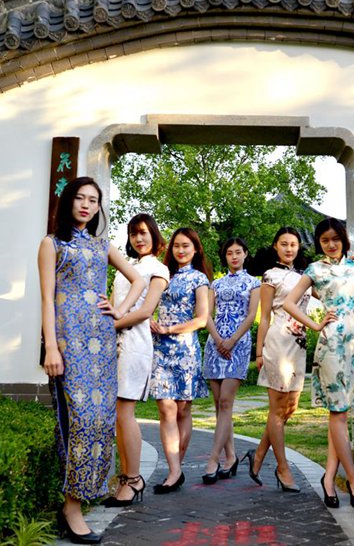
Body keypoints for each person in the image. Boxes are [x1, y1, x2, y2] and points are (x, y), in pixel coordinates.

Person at [39, 176, 145, 544]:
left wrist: (118, 311)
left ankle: (82, 497)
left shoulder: (103, 245)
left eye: (93, 200)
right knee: (79, 421)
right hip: (68, 341)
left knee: (100, 422)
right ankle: (71, 508)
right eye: (80, 198)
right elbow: (46, 299)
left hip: (100, 341)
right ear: (68, 202)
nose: (86, 205)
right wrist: (51, 347)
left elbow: (137, 280)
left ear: (99, 207)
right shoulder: (52, 243)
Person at [283, 218, 354, 510]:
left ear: (343, 239)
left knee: (341, 416)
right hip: (331, 347)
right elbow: (290, 303)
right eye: (324, 240)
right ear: (319, 243)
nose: (331, 244)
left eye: (335, 239)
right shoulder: (315, 270)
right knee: (340, 414)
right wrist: (316, 325)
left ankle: (329, 478)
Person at [99, 214, 169, 507]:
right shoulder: (125, 269)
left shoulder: (159, 268)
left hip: (134, 345)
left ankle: (134, 478)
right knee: (117, 414)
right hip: (112, 345)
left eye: (143, 233)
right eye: (132, 234)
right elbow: (114, 306)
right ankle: (126, 478)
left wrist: (108, 326)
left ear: (153, 235)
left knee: (124, 412)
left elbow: (144, 311)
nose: (138, 239)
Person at [243, 227, 320, 493]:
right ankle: (283, 469)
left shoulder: (305, 276)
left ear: (299, 248)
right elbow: (264, 317)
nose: (289, 249)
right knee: (277, 410)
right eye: (284, 244)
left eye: (294, 244)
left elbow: (328, 292)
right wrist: (259, 352)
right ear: (275, 246)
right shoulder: (270, 275)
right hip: (277, 343)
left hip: (298, 346)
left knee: (290, 409)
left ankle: (259, 457)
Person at [148, 227, 211, 494]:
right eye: (176, 246)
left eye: (186, 246)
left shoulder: (200, 279)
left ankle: (178, 466)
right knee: (166, 409)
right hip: (160, 349)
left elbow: (202, 319)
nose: (181, 250)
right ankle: (173, 471)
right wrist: (148, 318)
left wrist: (170, 329)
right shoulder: (162, 275)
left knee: (183, 409)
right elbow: (147, 303)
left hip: (185, 350)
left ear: (195, 249)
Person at [200, 237, 260, 484]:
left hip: (239, 345)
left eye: (238, 252)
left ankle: (213, 459)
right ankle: (231, 457)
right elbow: (206, 314)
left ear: (246, 254)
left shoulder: (254, 283)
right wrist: (217, 339)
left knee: (226, 402)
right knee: (219, 405)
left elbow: (251, 316)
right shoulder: (215, 283)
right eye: (229, 253)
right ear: (225, 257)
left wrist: (232, 341)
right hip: (215, 346)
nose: (234, 256)